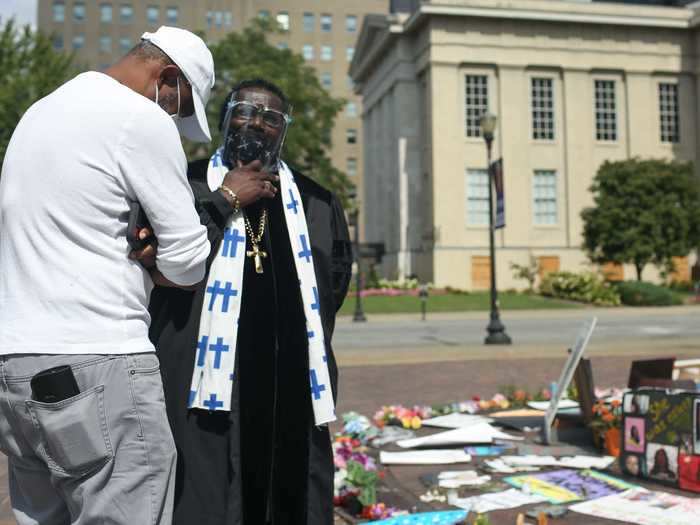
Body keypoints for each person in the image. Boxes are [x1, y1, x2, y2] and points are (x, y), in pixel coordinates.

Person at [0, 26, 214, 524]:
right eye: (178, 107)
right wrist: (156, 263)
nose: (173, 120)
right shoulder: (138, 118)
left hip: (15, 366)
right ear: (166, 77)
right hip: (98, 363)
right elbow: (188, 260)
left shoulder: (41, 111)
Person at [145, 79, 353, 524]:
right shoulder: (188, 185)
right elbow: (161, 260)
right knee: (206, 494)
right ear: (224, 118)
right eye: (245, 110)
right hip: (205, 383)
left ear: (283, 130)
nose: (257, 122)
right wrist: (225, 201)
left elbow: (333, 283)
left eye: (272, 117)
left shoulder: (316, 201)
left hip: (292, 381)